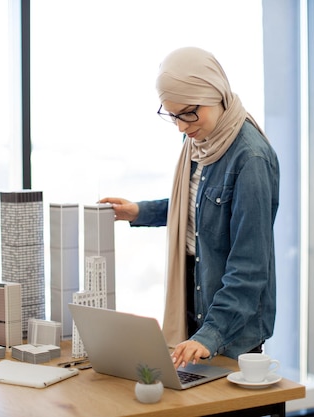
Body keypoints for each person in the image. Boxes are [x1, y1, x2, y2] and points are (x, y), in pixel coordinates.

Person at [100, 47, 280, 369]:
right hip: (196, 313)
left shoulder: (250, 159)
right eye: (173, 116)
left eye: (187, 113)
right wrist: (139, 212)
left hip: (231, 332)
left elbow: (250, 268)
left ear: (214, 93)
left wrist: (209, 335)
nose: (182, 127)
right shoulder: (201, 142)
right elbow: (194, 207)